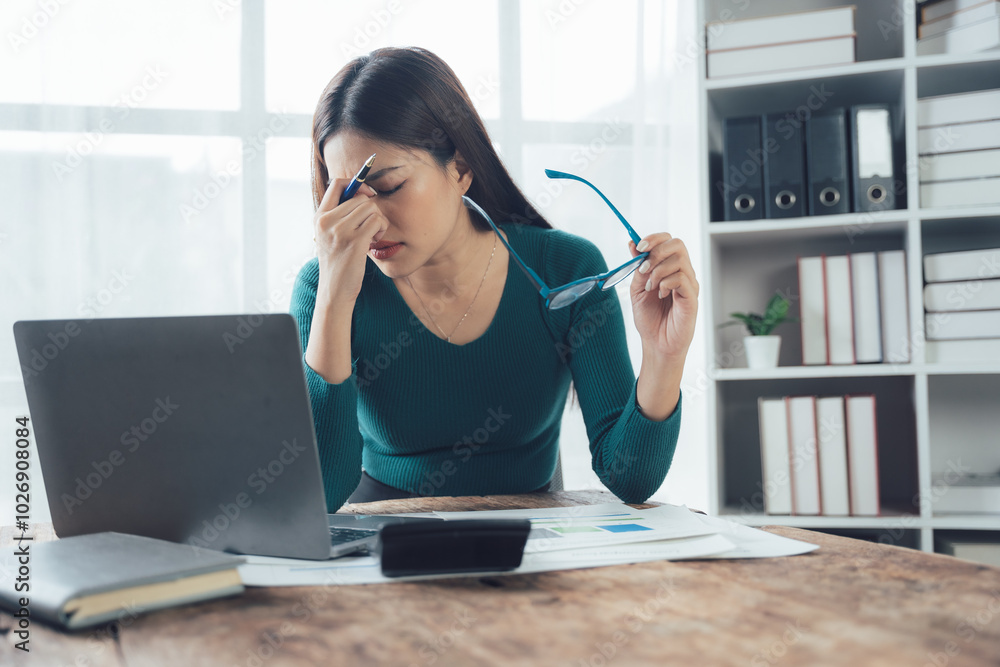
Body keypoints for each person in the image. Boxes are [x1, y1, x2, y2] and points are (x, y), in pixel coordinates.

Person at [290, 46, 698, 513]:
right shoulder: (322, 288)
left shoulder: (565, 270)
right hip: (386, 540)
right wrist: (335, 299)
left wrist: (665, 355)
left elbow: (631, 479)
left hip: (532, 543)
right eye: (345, 198)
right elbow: (320, 495)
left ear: (461, 169)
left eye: (388, 187)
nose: (369, 222)